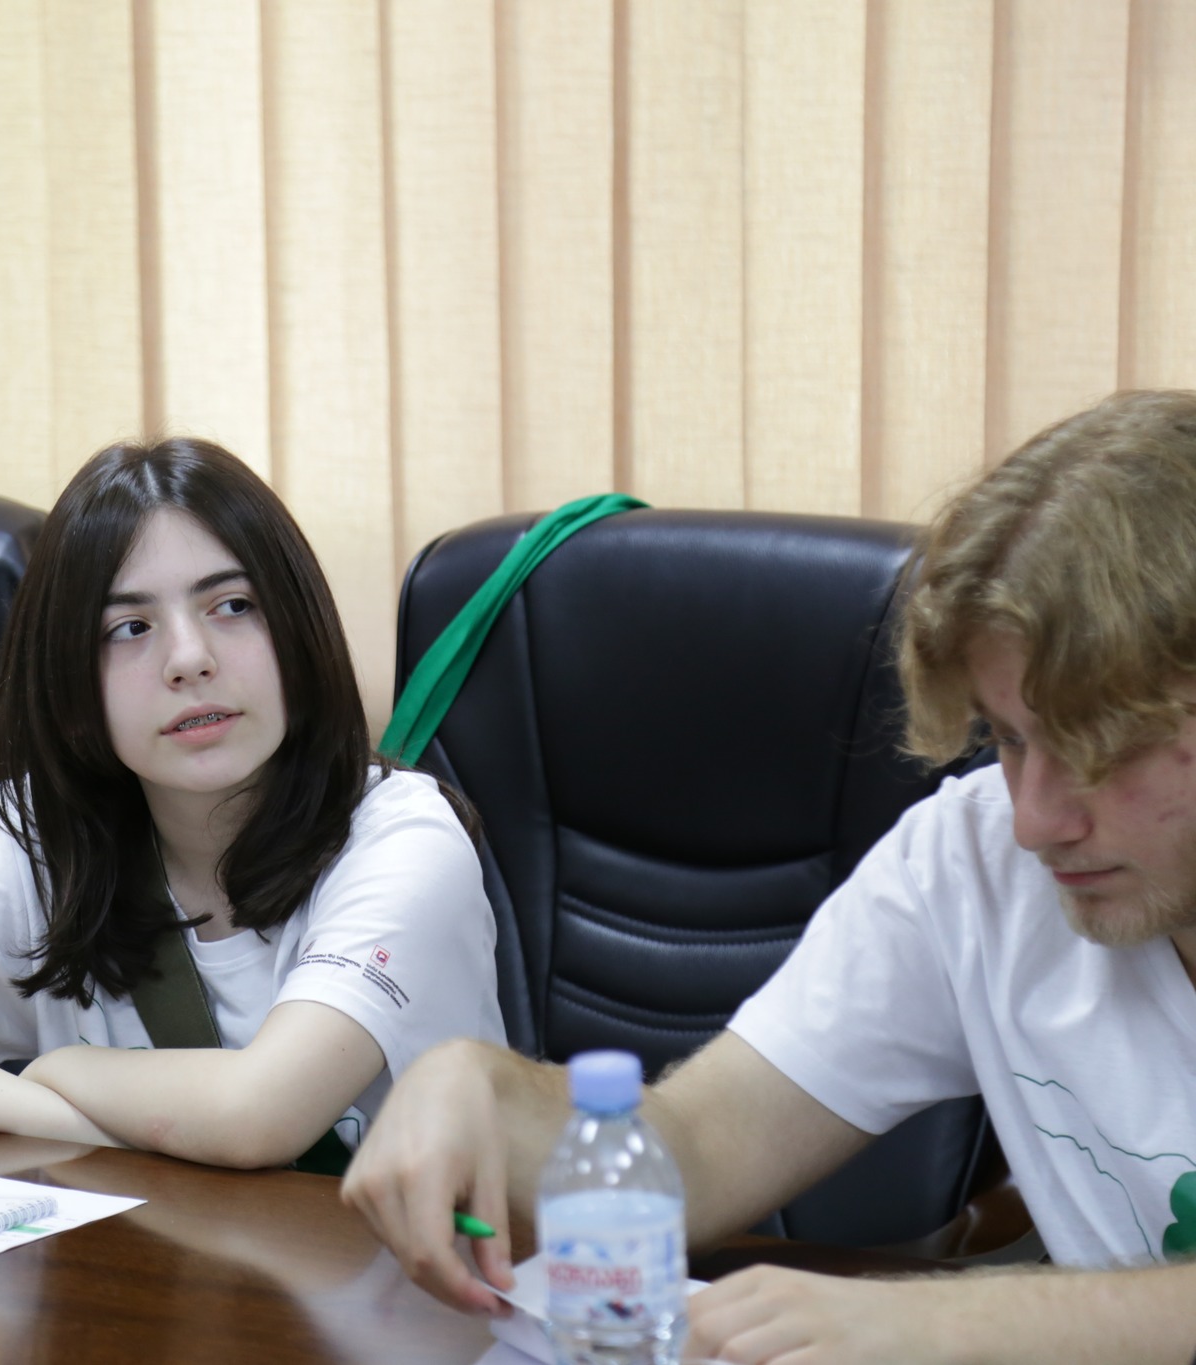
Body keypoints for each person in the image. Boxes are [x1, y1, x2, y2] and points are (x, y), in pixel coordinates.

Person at [341, 389, 1196, 1363]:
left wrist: (946, 1324)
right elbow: (698, 1150)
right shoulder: (972, 862)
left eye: (1100, 747)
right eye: (1008, 738)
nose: (1035, 821)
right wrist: (485, 1091)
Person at [0, 437, 506, 1167]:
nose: (189, 659)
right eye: (130, 628)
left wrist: (67, 1068)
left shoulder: (403, 838)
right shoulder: (45, 837)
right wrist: (60, 1118)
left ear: (300, 628)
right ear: (71, 681)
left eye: (233, 605)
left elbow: (258, 1115)